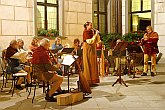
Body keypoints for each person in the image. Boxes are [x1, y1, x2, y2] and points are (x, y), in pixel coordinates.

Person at [82, 21, 101, 86]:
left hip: (92, 48)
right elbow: (90, 41)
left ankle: (93, 80)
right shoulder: (85, 32)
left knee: (93, 63)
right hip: (88, 48)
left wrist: (97, 37)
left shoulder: (92, 31)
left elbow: (96, 39)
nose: (92, 26)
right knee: (88, 63)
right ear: (87, 26)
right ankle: (88, 81)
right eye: (90, 25)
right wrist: (95, 35)